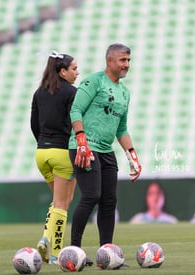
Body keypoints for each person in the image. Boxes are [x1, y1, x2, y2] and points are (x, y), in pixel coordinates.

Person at [68, 43, 142, 266]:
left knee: (109, 201)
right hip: (84, 147)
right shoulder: (94, 81)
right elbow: (75, 110)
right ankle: (73, 252)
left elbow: (121, 129)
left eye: (128, 60)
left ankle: (107, 255)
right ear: (109, 61)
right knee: (92, 196)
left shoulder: (124, 92)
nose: (126, 65)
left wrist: (133, 156)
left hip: (106, 151)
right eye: (122, 60)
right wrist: (81, 141)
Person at [30, 51, 79, 264]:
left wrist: (43, 142)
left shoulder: (39, 93)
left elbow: (34, 124)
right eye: (74, 68)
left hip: (42, 154)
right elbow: (76, 122)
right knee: (63, 204)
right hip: (62, 153)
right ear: (62, 71)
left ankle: (46, 240)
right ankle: (57, 252)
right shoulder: (71, 92)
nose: (77, 72)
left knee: (60, 201)